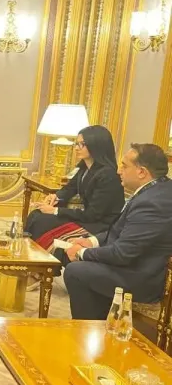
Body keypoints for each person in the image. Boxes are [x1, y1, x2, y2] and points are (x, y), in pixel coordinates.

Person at [63, 143, 172, 320]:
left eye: (124, 166)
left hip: (142, 278)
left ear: (141, 172)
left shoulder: (152, 204)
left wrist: (81, 253)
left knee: (76, 271)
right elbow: (121, 230)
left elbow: (122, 254)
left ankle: (91, 329)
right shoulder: (157, 189)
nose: (118, 171)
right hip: (136, 264)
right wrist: (91, 241)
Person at [25, 125, 125, 282]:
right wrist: (55, 197)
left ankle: (45, 270)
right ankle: (32, 264)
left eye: (81, 144)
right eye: (76, 143)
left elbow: (93, 214)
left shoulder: (108, 175)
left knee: (43, 221)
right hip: (88, 217)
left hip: (100, 225)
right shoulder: (84, 167)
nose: (77, 148)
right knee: (36, 215)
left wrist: (55, 211)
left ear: (96, 145)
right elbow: (69, 189)